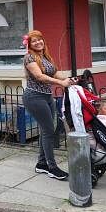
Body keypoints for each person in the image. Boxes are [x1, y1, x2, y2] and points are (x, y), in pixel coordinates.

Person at [22, 30, 75, 180]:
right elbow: (39, 76)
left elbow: (55, 72)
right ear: (29, 45)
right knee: (48, 131)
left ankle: (41, 164)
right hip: (34, 97)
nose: (38, 42)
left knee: (49, 129)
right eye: (34, 41)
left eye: (40, 40)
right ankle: (51, 167)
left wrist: (68, 80)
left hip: (47, 97)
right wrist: (60, 83)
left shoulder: (45, 56)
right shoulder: (29, 58)